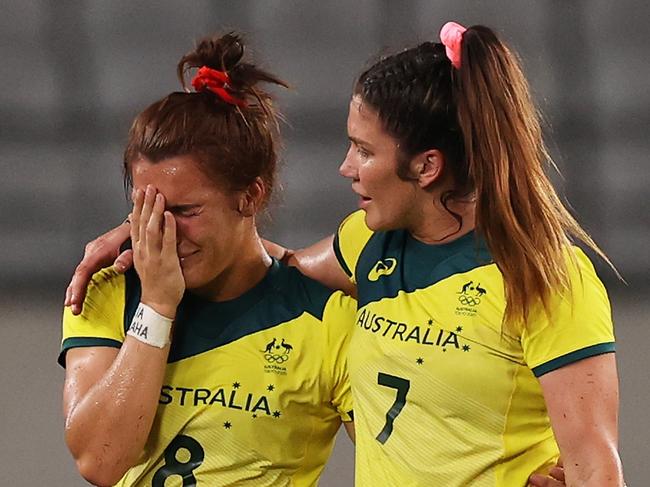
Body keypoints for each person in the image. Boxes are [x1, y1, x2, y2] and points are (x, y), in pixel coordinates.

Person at [65, 22, 625, 487]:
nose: (345, 167)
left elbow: (596, 466)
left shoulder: (545, 275)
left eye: (362, 149)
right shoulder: (367, 244)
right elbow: (271, 267)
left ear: (426, 166)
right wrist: (145, 232)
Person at [59, 33, 355, 487]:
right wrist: (156, 308)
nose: (163, 231)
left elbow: (398, 464)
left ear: (250, 196)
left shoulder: (326, 317)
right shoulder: (110, 289)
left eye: (184, 211)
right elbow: (99, 461)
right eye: (147, 209)